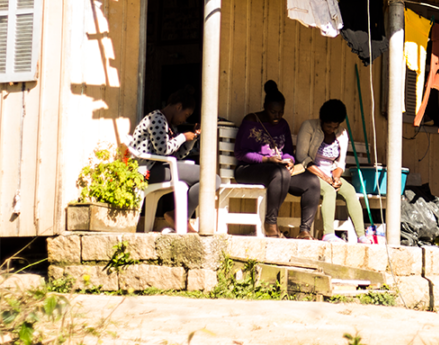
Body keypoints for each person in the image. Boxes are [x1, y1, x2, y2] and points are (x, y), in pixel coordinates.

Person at [234, 80, 320, 238]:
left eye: (281, 112)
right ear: (265, 107)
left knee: (312, 182)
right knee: (280, 173)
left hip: (279, 170)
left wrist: (289, 161)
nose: (277, 116)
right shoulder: (252, 121)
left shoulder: (283, 124)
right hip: (249, 169)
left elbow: (287, 151)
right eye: (273, 112)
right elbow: (240, 153)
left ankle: (304, 231)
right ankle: (271, 224)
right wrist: (267, 160)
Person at [130, 86, 218, 232]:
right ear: (178, 107)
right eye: (186, 114)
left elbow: (177, 155)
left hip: (162, 168)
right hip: (148, 171)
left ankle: (178, 216)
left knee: (211, 179)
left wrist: (191, 139)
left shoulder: (169, 126)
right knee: (209, 178)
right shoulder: (156, 119)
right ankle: (178, 217)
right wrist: (183, 137)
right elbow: (163, 149)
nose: (185, 119)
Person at [295, 99, 366, 242]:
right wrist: (325, 178)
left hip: (330, 174)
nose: (332, 129)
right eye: (328, 126)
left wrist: (337, 178)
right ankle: (328, 234)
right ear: (322, 119)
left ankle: (361, 236)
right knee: (329, 191)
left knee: (350, 191)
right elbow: (302, 157)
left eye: (335, 126)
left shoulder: (342, 133)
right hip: (309, 172)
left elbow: (340, 162)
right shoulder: (309, 126)